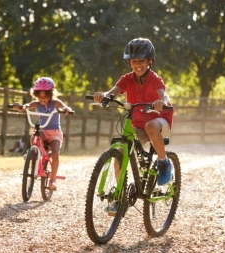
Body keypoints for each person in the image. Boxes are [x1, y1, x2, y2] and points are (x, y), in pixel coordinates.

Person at [93, 37, 174, 188]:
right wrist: (103, 96)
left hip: (159, 121)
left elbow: (164, 94)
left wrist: (161, 101)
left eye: (142, 60)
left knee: (150, 125)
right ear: (129, 62)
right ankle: (119, 195)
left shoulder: (154, 79)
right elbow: (112, 92)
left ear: (150, 61)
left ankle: (164, 163)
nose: (138, 65)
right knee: (119, 155)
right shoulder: (127, 79)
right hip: (137, 122)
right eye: (134, 61)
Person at [12, 77, 73, 191]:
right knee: (35, 135)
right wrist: (20, 107)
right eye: (40, 97)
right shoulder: (36, 104)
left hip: (55, 132)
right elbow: (26, 106)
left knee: (55, 153)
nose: (42, 100)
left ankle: (52, 180)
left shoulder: (55, 103)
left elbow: (65, 106)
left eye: (45, 97)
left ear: (51, 94)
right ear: (36, 95)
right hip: (43, 130)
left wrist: (66, 109)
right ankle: (33, 152)